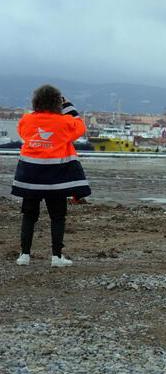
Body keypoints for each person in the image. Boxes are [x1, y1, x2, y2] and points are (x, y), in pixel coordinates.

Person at [11, 85, 91, 267]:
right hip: (56, 180)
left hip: (30, 178)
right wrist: (68, 105)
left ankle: (24, 255)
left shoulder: (27, 120)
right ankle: (56, 257)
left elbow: (23, 132)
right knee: (58, 217)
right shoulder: (65, 123)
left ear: (35, 102)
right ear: (58, 103)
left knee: (29, 216)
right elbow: (80, 126)